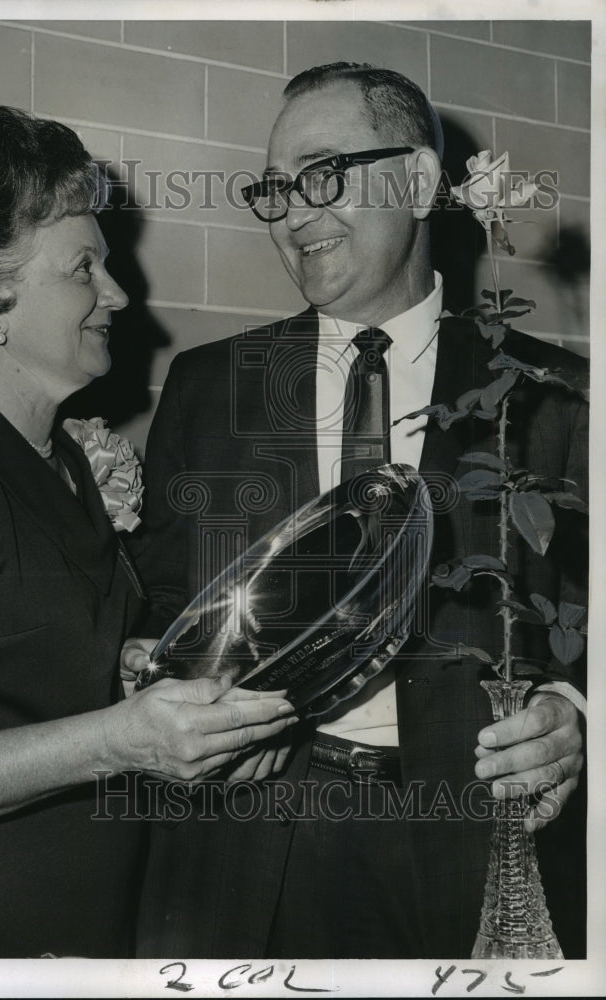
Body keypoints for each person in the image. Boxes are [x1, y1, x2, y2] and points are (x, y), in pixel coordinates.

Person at [131, 64, 587, 958]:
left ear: (417, 183)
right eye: (275, 187)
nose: (295, 213)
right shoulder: (205, 386)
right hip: (249, 839)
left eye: (323, 173)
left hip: (476, 841)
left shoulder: (555, 396)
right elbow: (159, 602)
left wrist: (577, 715)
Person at [0, 105, 296, 959]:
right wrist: (113, 741)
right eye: (84, 267)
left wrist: (127, 679)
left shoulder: (59, 463)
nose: (119, 294)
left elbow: (18, 676)